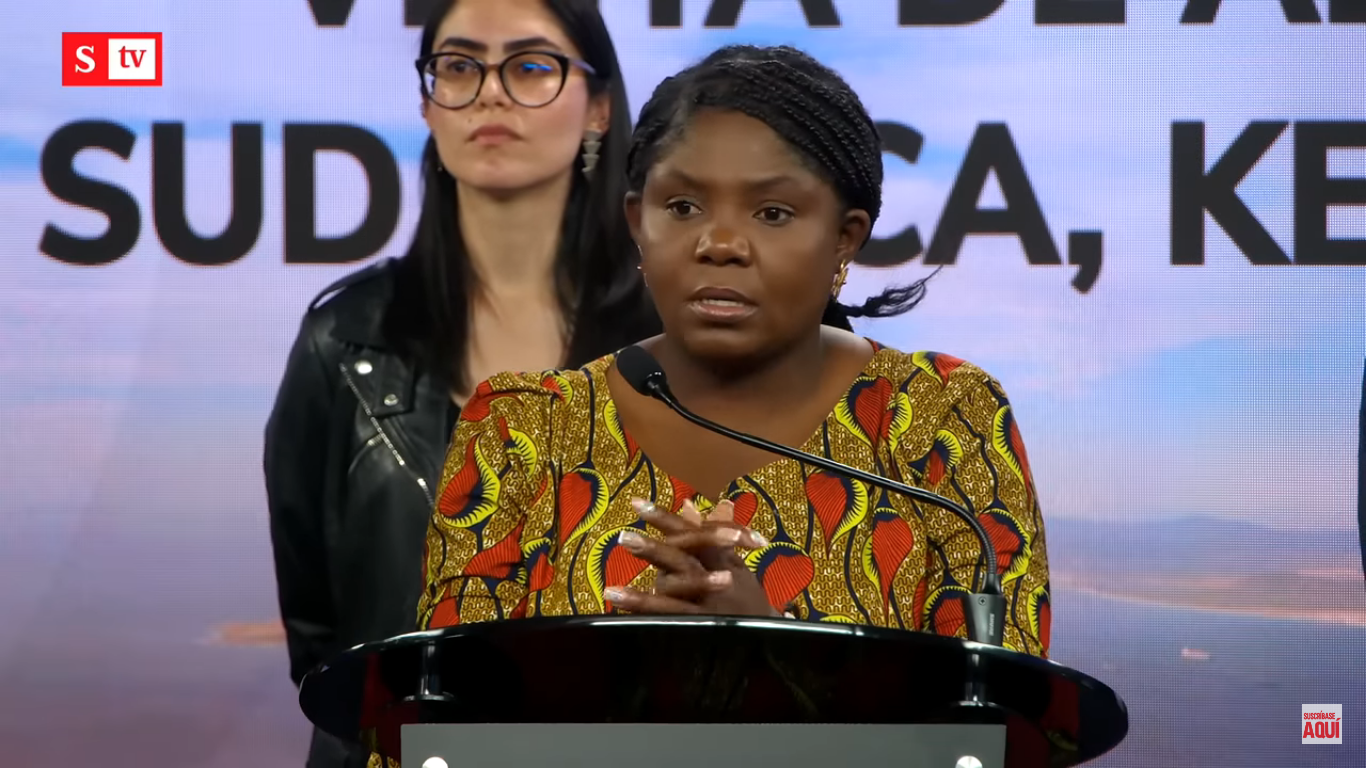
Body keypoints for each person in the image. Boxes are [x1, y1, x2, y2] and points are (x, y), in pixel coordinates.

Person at [417, 44, 1051, 655]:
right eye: (683, 206)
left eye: (772, 213)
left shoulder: (941, 420)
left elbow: (1000, 721)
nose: (719, 243)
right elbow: (439, 708)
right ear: (640, 223)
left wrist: (773, 650)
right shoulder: (523, 430)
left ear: (844, 238)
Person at [263, 0, 658, 766]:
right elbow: (319, 633)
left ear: (600, 110)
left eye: (532, 67)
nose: (490, 94)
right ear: (427, 105)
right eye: (459, 66)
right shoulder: (345, 343)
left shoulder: (675, 338)